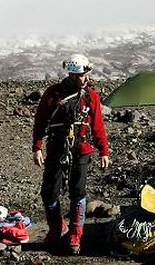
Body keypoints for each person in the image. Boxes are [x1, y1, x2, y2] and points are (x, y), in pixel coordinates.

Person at [32, 54, 110, 255]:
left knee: (78, 191)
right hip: (57, 148)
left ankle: (76, 233)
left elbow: (98, 126)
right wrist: (37, 147)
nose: (85, 78)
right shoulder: (53, 94)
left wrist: (104, 151)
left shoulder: (90, 96)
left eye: (86, 75)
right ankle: (57, 228)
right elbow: (41, 121)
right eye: (82, 75)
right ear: (73, 75)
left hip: (81, 149)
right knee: (49, 191)